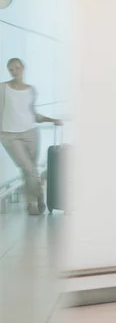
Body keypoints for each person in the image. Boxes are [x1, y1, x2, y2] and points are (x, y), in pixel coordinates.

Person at [0, 58, 62, 215]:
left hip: (30, 133)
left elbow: (32, 114)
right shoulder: (3, 88)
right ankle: (39, 196)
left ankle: (30, 202)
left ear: (22, 68)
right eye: (11, 69)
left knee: (29, 170)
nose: (14, 71)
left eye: (17, 68)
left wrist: (52, 120)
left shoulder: (31, 90)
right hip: (9, 135)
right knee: (28, 168)